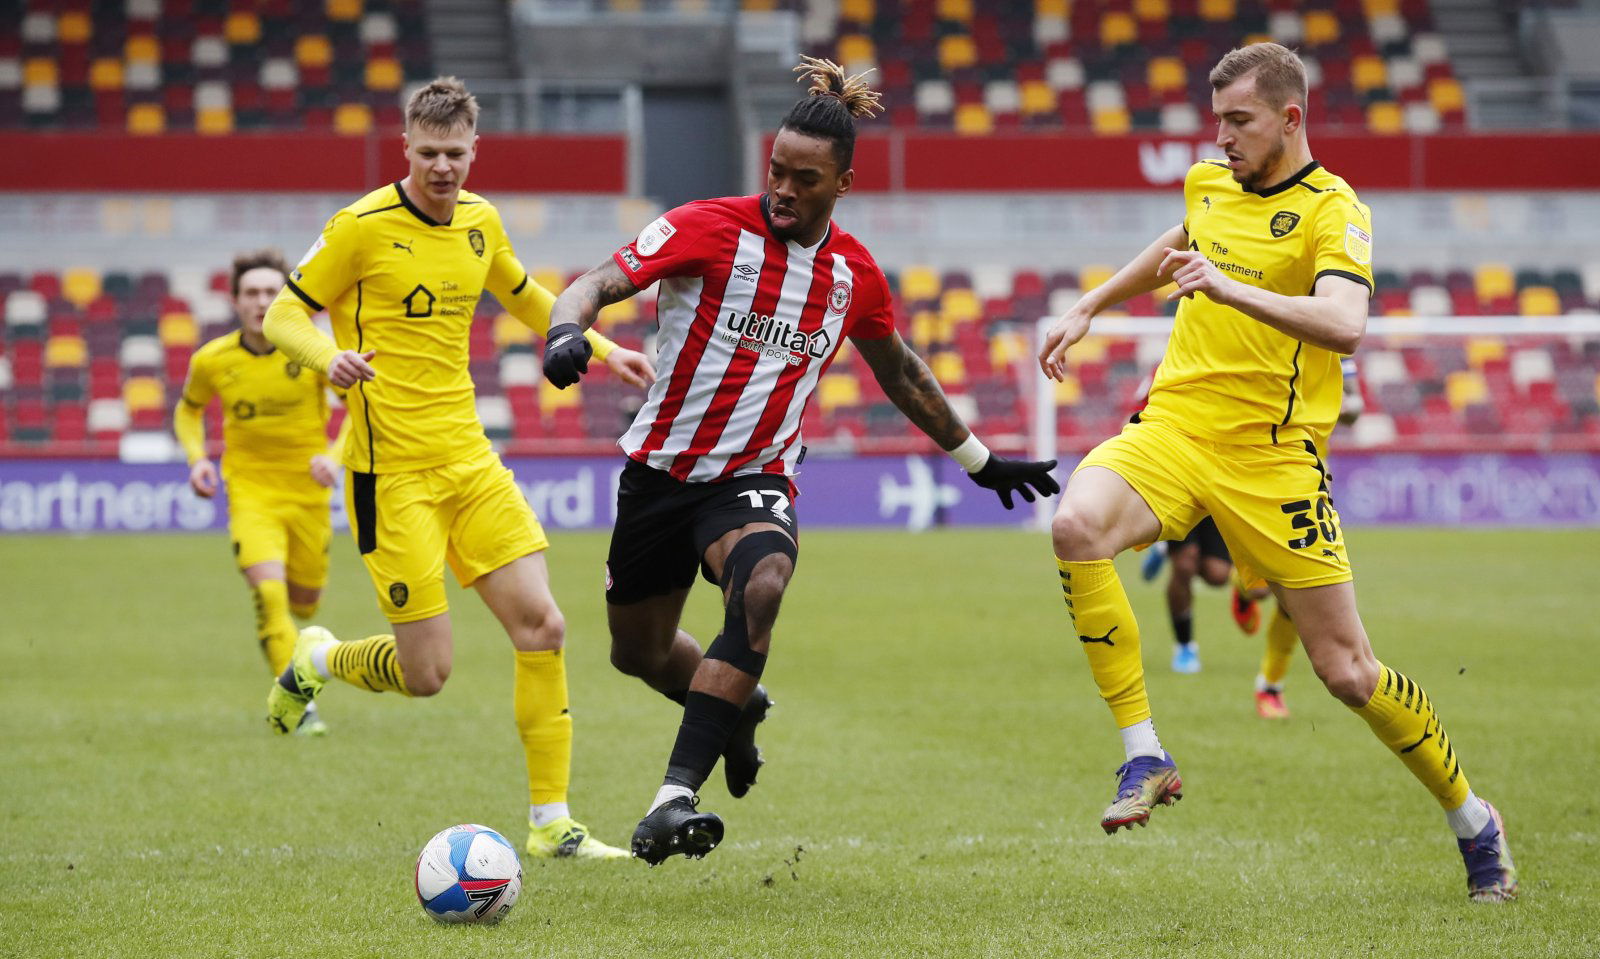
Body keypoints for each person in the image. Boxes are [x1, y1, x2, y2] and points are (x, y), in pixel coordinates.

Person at [541, 57, 1060, 865]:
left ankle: (673, 797)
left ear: (842, 186)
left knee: (763, 586)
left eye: (804, 179)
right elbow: (595, 283)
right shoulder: (705, 227)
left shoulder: (853, 275)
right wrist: (566, 331)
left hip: (755, 478)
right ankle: (738, 709)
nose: (783, 189)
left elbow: (901, 372)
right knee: (637, 651)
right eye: (776, 171)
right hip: (660, 475)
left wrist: (980, 460)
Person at [1038, 43, 1516, 902]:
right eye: (1216, 118)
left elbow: (1344, 322)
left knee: (1347, 672)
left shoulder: (1337, 210)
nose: (1220, 136)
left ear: (1290, 119)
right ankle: (1144, 751)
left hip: (1273, 457)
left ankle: (1474, 820)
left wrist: (1226, 289)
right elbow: (1180, 241)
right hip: (1176, 427)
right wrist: (1089, 305)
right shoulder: (1208, 180)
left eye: (1238, 121)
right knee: (1075, 525)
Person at [258, 77, 656, 860]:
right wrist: (326, 355)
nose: (442, 167)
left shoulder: (481, 222)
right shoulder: (359, 226)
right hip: (389, 474)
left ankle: (551, 822)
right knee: (427, 672)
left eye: (455, 153)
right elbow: (281, 312)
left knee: (543, 625)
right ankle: (319, 657)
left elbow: (525, 295)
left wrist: (604, 349)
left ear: (476, 148)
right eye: (428, 152)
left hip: (469, 460)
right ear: (405, 146)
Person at [174, 249, 349, 736]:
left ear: (285, 299)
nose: (260, 301)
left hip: (308, 495)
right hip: (250, 494)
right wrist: (197, 459)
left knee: (305, 604)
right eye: (251, 293)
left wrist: (333, 459)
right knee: (269, 595)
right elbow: (188, 411)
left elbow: (358, 409)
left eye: (271, 292)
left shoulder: (312, 349)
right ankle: (300, 705)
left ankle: (303, 645)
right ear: (234, 301)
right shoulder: (212, 359)